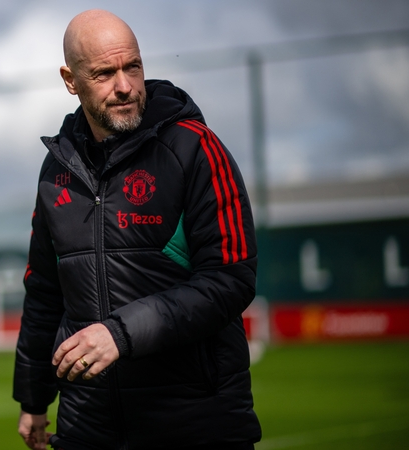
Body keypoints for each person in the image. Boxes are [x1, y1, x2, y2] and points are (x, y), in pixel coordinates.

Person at [13, 10, 261, 450]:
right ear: (70, 80)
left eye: (133, 66)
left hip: (194, 421)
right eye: (105, 73)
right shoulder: (56, 172)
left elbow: (230, 278)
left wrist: (120, 333)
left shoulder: (195, 148)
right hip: (87, 425)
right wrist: (33, 399)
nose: (125, 86)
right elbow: (45, 295)